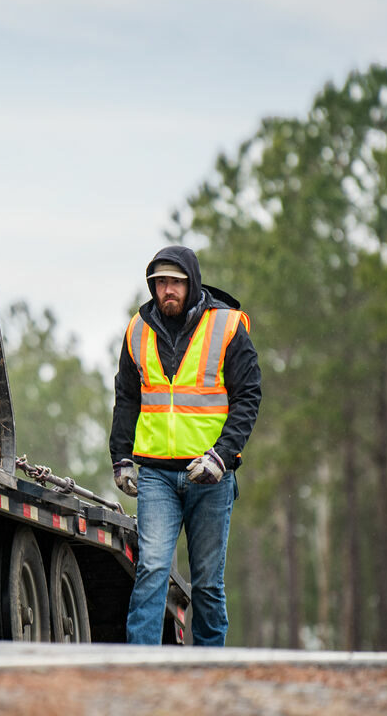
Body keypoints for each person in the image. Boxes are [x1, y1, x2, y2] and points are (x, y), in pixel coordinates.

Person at [110, 245, 260, 645]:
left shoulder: (227, 326)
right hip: (157, 474)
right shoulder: (137, 330)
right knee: (152, 568)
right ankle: (141, 666)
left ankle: (208, 668)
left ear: (191, 283)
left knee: (208, 584)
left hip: (211, 476)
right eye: (160, 283)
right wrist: (121, 458)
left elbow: (248, 397)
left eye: (175, 282)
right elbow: (126, 397)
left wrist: (222, 456)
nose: (167, 291)